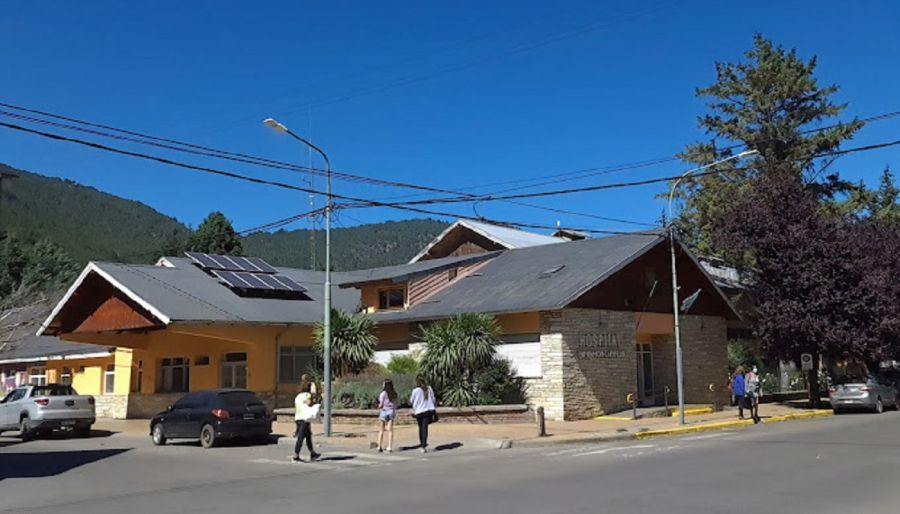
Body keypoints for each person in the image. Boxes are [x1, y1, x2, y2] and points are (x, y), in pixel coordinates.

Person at [292, 380, 321, 463]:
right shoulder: (307, 395)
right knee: (300, 437)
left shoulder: (298, 396)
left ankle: (313, 453)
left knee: (308, 436)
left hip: (298, 418)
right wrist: (313, 396)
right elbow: (309, 403)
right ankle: (295, 456)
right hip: (305, 418)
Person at [410, 376, 436, 453]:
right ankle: (423, 446)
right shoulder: (429, 389)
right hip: (427, 410)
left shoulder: (415, 390)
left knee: (420, 428)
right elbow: (433, 399)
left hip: (418, 411)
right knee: (425, 428)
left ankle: (422, 443)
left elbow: (411, 400)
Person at [376, 379, 397, 453]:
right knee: (390, 430)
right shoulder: (394, 393)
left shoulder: (383, 394)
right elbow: (395, 403)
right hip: (390, 411)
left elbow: (381, 404)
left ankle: (379, 446)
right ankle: (390, 446)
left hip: (384, 411)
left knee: (381, 430)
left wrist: (378, 406)